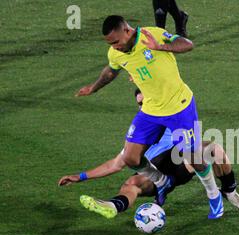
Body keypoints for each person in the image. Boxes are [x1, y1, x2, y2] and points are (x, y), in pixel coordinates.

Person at [76, 15, 224, 219]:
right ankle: (162, 182)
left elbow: (187, 44)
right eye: (110, 44)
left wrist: (161, 47)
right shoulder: (116, 53)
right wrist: (93, 88)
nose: (115, 47)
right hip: (151, 110)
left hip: (179, 107)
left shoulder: (152, 34)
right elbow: (111, 71)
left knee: (193, 158)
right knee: (130, 158)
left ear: (127, 31)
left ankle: (214, 196)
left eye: (116, 42)